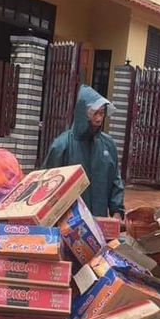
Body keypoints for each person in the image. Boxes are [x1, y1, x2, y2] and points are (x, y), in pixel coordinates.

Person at [43, 85, 125, 220]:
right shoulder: (62, 145)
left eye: (102, 113)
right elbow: (47, 186)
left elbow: (115, 180)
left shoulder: (108, 145)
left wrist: (117, 211)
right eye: (94, 113)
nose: (99, 119)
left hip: (99, 220)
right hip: (68, 222)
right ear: (83, 113)